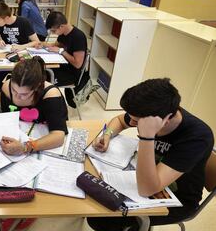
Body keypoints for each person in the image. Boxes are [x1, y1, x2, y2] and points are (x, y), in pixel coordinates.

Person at [87, 78, 214, 231]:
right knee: (91, 193)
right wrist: (106, 135)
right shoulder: (154, 114)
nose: (132, 122)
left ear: (162, 121)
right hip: (145, 176)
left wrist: (147, 137)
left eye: (136, 121)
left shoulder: (197, 136)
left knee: (99, 219)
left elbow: (147, 189)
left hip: (177, 199)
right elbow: (120, 120)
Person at [0, 57, 67, 155]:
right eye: (14, 90)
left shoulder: (50, 95)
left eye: (24, 94)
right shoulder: (7, 88)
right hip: (17, 138)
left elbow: (58, 136)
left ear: (37, 87)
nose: (17, 96)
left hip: (42, 144)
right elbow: (7, 119)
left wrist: (26, 147)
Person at [0, 1, 40, 90]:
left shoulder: (23, 22)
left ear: (7, 17)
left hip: (22, 57)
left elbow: (36, 42)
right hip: (6, 56)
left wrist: (22, 46)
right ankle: (0, 95)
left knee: (20, 81)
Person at [42, 11, 88, 108]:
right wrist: (41, 45)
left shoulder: (78, 37)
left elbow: (78, 64)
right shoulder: (63, 33)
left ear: (61, 26)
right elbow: (55, 46)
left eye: (54, 31)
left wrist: (61, 52)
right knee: (39, 72)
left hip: (71, 74)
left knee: (41, 79)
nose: (53, 33)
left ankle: (50, 106)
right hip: (62, 66)